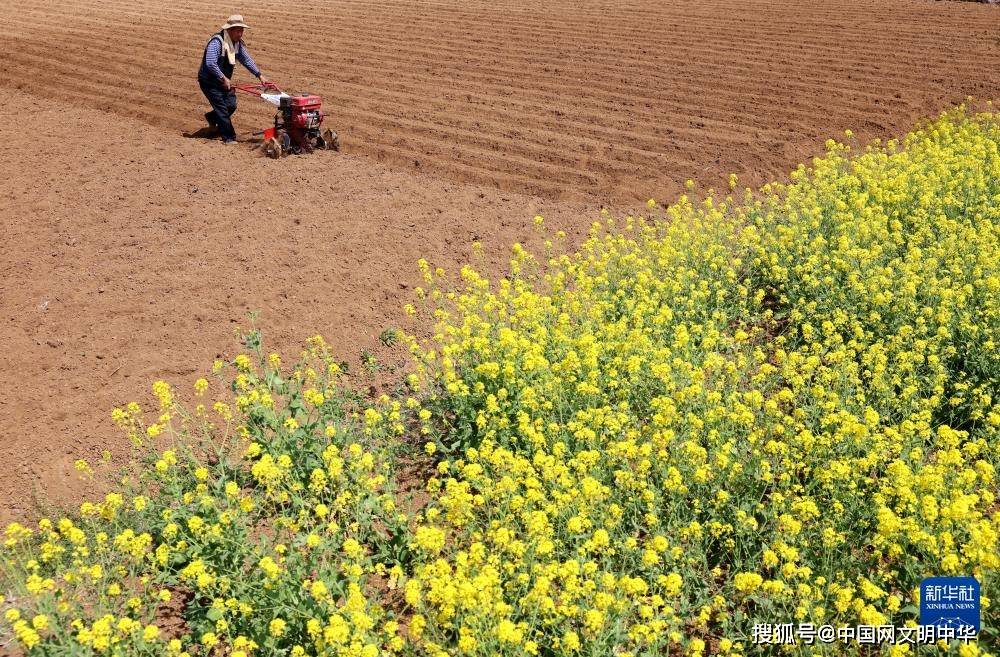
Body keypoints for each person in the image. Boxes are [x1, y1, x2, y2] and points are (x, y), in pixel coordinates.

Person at [197, 15, 269, 144]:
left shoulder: (237, 44)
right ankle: (228, 137)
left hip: (223, 81)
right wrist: (223, 77)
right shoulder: (217, 42)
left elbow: (246, 60)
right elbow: (210, 63)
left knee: (231, 105)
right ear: (230, 30)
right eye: (238, 31)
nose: (241, 34)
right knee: (222, 108)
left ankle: (212, 118)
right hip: (209, 81)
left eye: (242, 31)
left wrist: (259, 75)